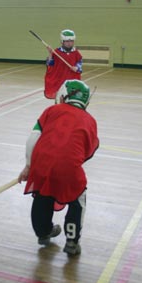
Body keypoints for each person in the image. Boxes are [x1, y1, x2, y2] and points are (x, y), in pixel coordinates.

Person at [18, 80, 99, 256]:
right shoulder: (90, 120)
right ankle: (72, 240)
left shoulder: (51, 110)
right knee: (78, 199)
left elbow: (33, 138)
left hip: (41, 162)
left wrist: (28, 166)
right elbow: (90, 150)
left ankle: (43, 232)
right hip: (69, 166)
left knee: (42, 194)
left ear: (63, 95)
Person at [44, 29, 83, 99]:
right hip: (60, 81)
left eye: (71, 41)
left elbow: (80, 64)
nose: (69, 43)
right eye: (67, 41)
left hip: (71, 82)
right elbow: (50, 64)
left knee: (71, 100)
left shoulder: (76, 53)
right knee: (60, 100)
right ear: (62, 41)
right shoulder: (56, 52)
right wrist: (50, 53)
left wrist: (77, 68)